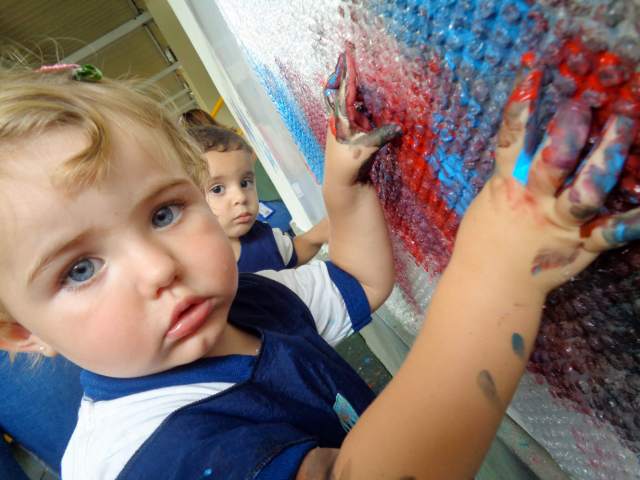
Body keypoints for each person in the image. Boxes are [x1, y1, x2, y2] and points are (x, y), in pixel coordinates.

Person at [0, 44, 637, 480]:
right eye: (79, 269)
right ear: (21, 331)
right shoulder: (149, 459)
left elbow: (359, 279)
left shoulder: (248, 299)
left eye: (164, 213)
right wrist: (496, 274)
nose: (158, 269)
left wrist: (343, 187)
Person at [188, 124, 329, 271]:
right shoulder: (193, 268)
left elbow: (293, 253)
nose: (241, 197)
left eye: (245, 183)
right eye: (217, 189)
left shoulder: (264, 235)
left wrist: (323, 230)